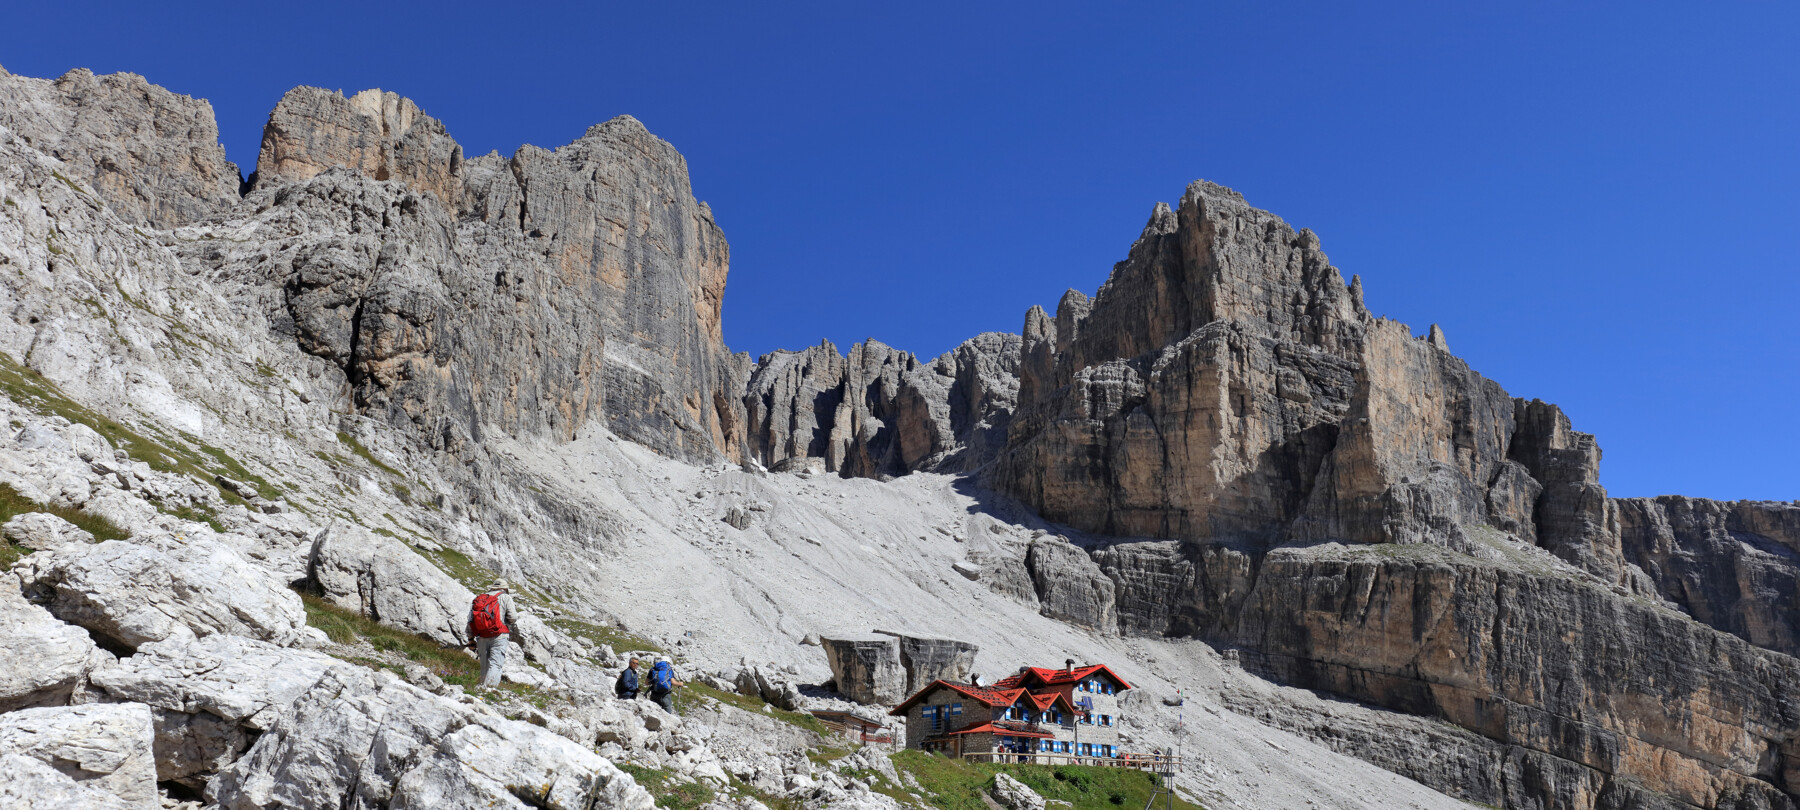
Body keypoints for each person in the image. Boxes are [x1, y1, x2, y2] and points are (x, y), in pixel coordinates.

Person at [464, 579, 518, 690]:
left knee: (484, 664)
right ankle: (488, 690)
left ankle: (480, 688)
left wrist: (470, 639)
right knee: (495, 663)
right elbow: (513, 617)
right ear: (505, 589)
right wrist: (507, 623)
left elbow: (471, 619)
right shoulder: (505, 597)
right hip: (499, 635)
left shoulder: (479, 599)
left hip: (482, 636)